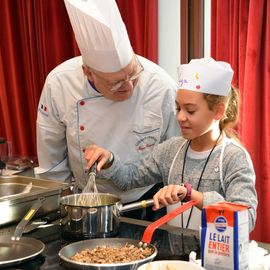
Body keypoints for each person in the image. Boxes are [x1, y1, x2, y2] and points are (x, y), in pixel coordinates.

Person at [34, 0, 179, 220]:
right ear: (88, 73)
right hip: (86, 202)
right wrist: (62, 210)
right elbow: (52, 163)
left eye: (133, 74)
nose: (128, 86)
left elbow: (176, 156)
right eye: (115, 83)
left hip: (147, 200)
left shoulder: (161, 86)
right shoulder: (59, 84)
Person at [84, 57, 258, 232]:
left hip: (217, 257)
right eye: (178, 108)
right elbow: (130, 178)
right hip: (174, 258)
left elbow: (246, 220)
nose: (180, 117)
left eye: (190, 110)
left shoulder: (233, 158)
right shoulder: (171, 150)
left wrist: (192, 195)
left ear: (218, 111)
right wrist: (109, 159)